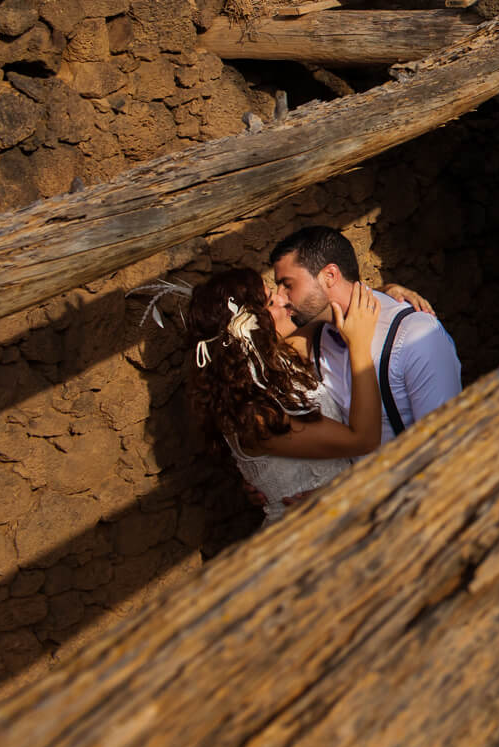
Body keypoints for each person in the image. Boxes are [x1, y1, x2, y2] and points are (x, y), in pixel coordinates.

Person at [184, 268, 384, 525]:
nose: (282, 299)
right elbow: (364, 440)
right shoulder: (254, 415)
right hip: (309, 539)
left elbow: (326, 306)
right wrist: (359, 346)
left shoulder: (281, 358)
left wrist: (390, 296)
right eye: (270, 302)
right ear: (243, 329)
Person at [270, 225, 461, 443]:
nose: (281, 297)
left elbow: (444, 440)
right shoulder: (315, 335)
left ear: (330, 275)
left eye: (287, 285)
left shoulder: (416, 336)